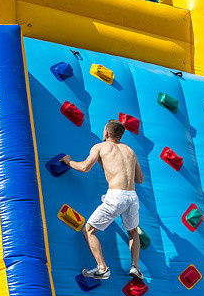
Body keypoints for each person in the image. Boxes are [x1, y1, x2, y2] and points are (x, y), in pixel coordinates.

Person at [62, 119, 145, 281]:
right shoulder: (130, 150)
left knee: (89, 231)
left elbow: (85, 167)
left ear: (106, 133)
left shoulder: (100, 147)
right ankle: (135, 266)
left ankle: (102, 268)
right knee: (133, 232)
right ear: (120, 135)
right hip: (132, 197)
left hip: (116, 196)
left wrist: (68, 161)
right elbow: (140, 179)